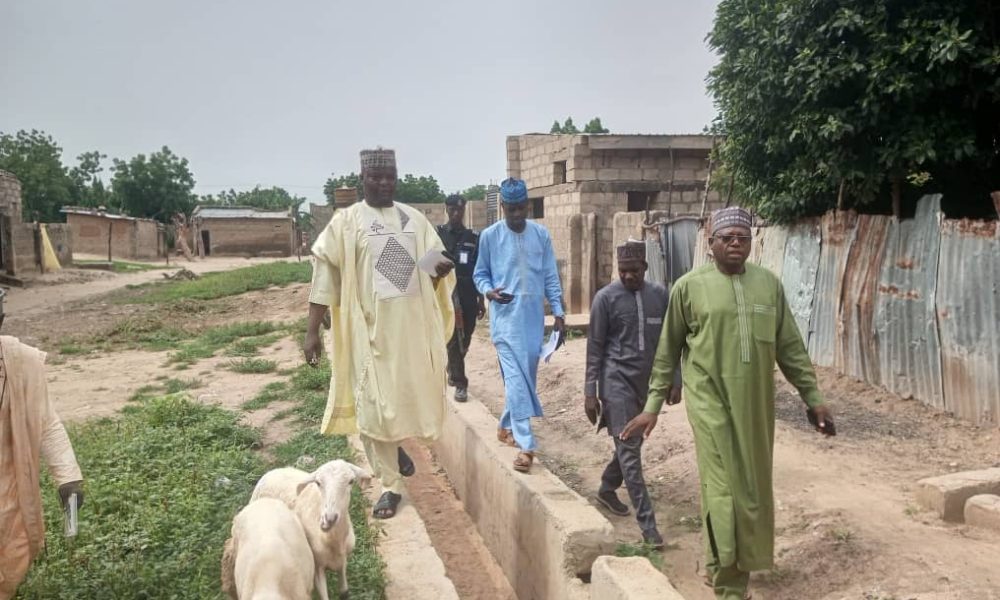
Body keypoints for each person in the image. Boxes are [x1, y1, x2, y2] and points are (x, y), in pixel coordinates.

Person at [621, 207, 834, 600]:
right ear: (711, 242)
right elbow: (667, 351)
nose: (736, 243)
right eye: (727, 237)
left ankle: (720, 562)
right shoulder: (688, 287)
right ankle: (731, 587)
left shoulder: (768, 285)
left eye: (743, 237)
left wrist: (813, 398)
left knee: (751, 489)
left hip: (755, 406)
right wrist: (652, 405)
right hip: (709, 402)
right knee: (725, 490)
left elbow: (790, 348)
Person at [303, 148, 456, 520]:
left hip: (409, 334)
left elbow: (434, 269)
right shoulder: (346, 223)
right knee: (370, 410)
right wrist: (311, 331)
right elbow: (325, 276)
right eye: (376, 177)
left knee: (403, 399)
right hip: (367, 334)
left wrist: (440, 271)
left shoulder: (412, 219)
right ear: (363, 180)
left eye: (390, 176)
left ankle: (397, 448)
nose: (385, 183)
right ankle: (391, 486)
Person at [584, 241, 678, 550]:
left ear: (645, 268)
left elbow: (670, 341)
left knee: (629, 442)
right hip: (615, 382)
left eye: (633, 271)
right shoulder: (605, 299)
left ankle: (607, 487)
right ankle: (649, 528)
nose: (627, 276)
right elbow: (595, 348)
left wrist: (675, 378)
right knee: (630, 453)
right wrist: (590, 391)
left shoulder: (660, 296)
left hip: (646, 386)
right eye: (622, 271)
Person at [473, 178, 565, 473]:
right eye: (510, 209)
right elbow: (480, 274)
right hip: (504, 321)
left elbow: (550, 276)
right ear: (503, 206)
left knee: (525, 381)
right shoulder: (490, 236)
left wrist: (559, 313)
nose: (516, 214)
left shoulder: (541, 235)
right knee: (515, 380)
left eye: (520, 208)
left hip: (532, 321)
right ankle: (527, 446)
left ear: (527, 206)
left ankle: (505, 426)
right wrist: (488, 292)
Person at [1, 295, 84, 599]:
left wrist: (68, 478)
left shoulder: (19, 361)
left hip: (8, 494)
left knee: (12, 560)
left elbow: (46, 422)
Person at [436, 194, 486, 402]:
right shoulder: (438, 234)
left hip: (468, 291)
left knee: (466, 337)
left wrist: (481, 299)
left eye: (460, 210)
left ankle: (452, 365)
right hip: (447, 292)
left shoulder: (473, 237)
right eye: (452, 210)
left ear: (464, 211)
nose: (456, 214)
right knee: (453, 336)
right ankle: (460, 383)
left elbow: (479, 269)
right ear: (446, 210)